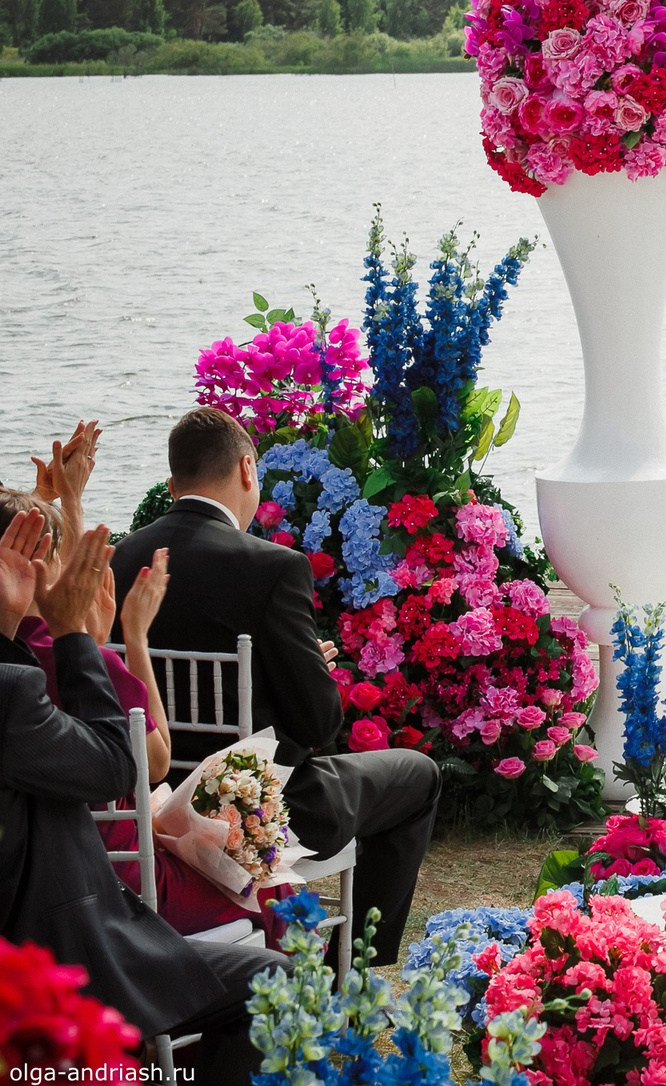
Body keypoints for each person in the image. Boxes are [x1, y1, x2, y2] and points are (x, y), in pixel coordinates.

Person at [112, 407, 440, 963]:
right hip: (264, 810)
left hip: (153, 804)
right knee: (420, 774)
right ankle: (358, 967)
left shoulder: (122, 559)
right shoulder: (273, 566)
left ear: (173, 485)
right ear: (246, 469)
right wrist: (311, 667)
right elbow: (318, 724)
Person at [1, 509, 286, 1086]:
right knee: (275, 970)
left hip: (81, 897)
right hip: (52, 951)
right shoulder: (25, 680)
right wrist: (82, 637)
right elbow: (128, 764)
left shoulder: (23, 659)